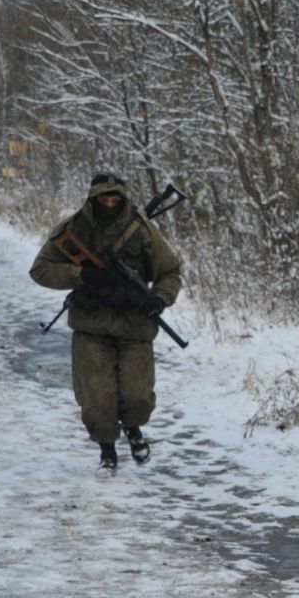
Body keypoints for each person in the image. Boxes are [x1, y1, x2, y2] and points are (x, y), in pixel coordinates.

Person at [29, 172, 183, 471]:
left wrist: (159, 299)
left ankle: (133, 428)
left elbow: (170, 272)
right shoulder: (74, 229)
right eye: (104, 199)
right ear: (92, 199)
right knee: (98, 399)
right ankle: (107, 451)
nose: (110, 204)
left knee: (138, 397)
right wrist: (83, 275)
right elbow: (41, 270)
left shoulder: (143, 231)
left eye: (115, 199)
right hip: (91, 326)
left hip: (135, 325)